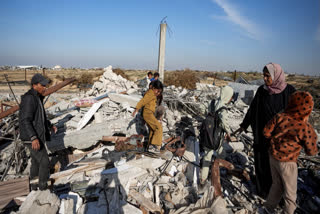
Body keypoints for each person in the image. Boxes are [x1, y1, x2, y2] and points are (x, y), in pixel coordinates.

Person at [233, 63, 296, 198]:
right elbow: (253, 109)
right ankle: (263, 191)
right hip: (262, 136)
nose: (265, 79)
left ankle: (279, 195)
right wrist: (244, 125)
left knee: (279, 167)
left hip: (281, 138)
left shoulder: (289, 91)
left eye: (268, 76)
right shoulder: (262, 91)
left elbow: (298, 113)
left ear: (276, 75)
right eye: (264, 76)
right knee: (262, 162)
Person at [263, 91, 318, 214]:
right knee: (290, 195)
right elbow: (312, 151)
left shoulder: (280, 117)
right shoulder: (305, 127)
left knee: (276, 185)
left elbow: (266, 133)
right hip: (288, 162)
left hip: (273, 157)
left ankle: (267, 208)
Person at [19, 73, 57, 190]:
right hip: (31, 137)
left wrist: (49, 125)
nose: (45, 87)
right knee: (45, 161)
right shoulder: (29, 98)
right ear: (35, 85)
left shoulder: (37, 97)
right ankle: (42, 188)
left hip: (36, 135)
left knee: (36, 161)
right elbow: (26, 120)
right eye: (43, 85)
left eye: (45, 85)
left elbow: (40, 118)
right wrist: (33, 137)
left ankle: (34, 186)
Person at [200, 85, 235, 184]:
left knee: (207, 156)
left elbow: (203, 111)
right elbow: (224, 122)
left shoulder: (212, 103)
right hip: (216, 137)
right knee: (221, 153)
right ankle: (218, 172)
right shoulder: (223, 108)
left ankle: (203, 179)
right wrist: (228, 133)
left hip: (207, 134)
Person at [132, 80, 163, 150]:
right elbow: (143, 101)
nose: (158, 93)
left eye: (159, 92)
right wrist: (136, 108)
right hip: (148, 113)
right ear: (153, 88)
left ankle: (150, 146)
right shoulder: (151, 93)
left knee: (153, 129)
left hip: (149, 113)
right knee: (158, 127)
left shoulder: (152, 94)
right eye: (157, 91)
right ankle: (154, 145)